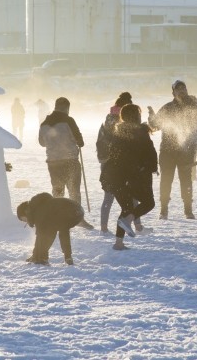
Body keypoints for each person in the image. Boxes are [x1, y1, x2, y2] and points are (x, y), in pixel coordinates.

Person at [147, 80, 197, 220]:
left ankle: (188, 210)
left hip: (187, 152)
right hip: (167, 151)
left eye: (184, 88)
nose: (182, 91)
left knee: (186, 181)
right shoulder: (167, 108)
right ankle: (163, 210)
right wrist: (151, 116)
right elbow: (155, 126)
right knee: (165, 180)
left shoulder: (196, 107)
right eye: (178, 89)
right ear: (173, 92)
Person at [101, 104, 158, 250]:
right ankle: (128, 220)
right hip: (133, 176)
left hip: (114, 177)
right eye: (139, 113)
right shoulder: (140, 131)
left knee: (126, 207)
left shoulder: (118, 130)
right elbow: (149, 152)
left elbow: (114, 155)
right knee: (148, 203)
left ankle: (118, 243)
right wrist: (149, 168)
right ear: (136, 116)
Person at [38, 97, 94, 230]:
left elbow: (41, 143)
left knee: (58, 191)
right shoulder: (69, 120)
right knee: (74, 191)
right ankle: (78, 219)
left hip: (53, 162)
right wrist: (78, 142)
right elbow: (79, 140)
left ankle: (56, 218)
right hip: (70, 160)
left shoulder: (44, 123)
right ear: (67, 108)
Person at [96, 92, 146, 234]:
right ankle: (138, 225)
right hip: (125, 163)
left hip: (107, 163)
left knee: (109, 196)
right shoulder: (127, 121)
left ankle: (104, 228)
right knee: (133, 194)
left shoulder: (107, 121)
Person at [17, 192, 84, 265]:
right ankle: (68, 257)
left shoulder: (39, 212)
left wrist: (36, 255)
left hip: (69, 212)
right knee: (60, 229)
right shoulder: (43, 206)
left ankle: (43, 258)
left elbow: (41, 236)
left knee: (50, 233)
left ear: (26, 212)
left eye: (25, 220)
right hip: (78, 212)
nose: (27, 222)